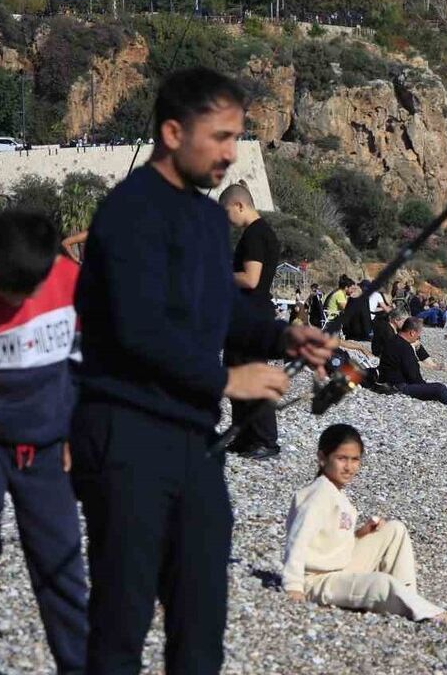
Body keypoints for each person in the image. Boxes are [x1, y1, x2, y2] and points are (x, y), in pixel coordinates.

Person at [70, 67, 337, 675]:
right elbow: (138, 331)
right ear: (171, 132)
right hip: (124, 436)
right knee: (122, 621)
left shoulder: (203, 218)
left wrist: (285, 335)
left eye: (237, 137)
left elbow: (222, 307)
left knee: (200, 623)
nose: (231, 153)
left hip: (192, 442)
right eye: (219, 137)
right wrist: (225, 382)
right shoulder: (129, 213)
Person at [283, 425, 447, 632]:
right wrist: (294, 587)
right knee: (380, 583)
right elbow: (297, 541)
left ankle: (408, 597)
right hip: (315, 581)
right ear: (322, 458)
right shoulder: (317, 495)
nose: (348, 467)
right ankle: (438, 617)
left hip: (339, 568)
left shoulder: (336, 493)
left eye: (355, 459)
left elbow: (330, 542)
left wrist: (361, 534)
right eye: (341, 459)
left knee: (395, 529)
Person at [0, 210, 87, 673]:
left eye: (31, 288)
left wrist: (76, 427)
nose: (23, 300)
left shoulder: (70, 281)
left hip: (47, 445)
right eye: (11, 290)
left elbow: (89, 361)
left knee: (61, 568)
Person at [220, 180, 283, 460]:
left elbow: (251, 279)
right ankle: (244, 435)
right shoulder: (259, 233)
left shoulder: (256, 235)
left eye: (226, 212)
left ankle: (265, 439)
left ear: (239, 205)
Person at [378, 317, 447, 416]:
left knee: (435, 387)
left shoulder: (392, 340)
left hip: (389, 381)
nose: (418, 338)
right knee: (438, 388)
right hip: (398, 386)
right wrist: (424, 387)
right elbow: (412, 374)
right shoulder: (405, 347)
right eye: (418, 335)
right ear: (412, 333)